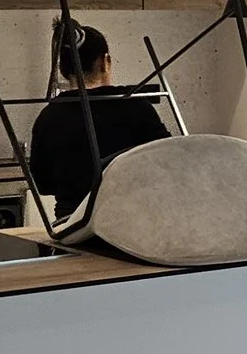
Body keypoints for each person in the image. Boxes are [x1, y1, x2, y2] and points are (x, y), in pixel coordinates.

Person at [27, 18, 168, 221]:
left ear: (63, 70)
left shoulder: (48, 117)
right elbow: (169, 163)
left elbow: (43, 185)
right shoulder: (136, 105)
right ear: (105, 61)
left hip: (72, 230)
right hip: (132, 226)